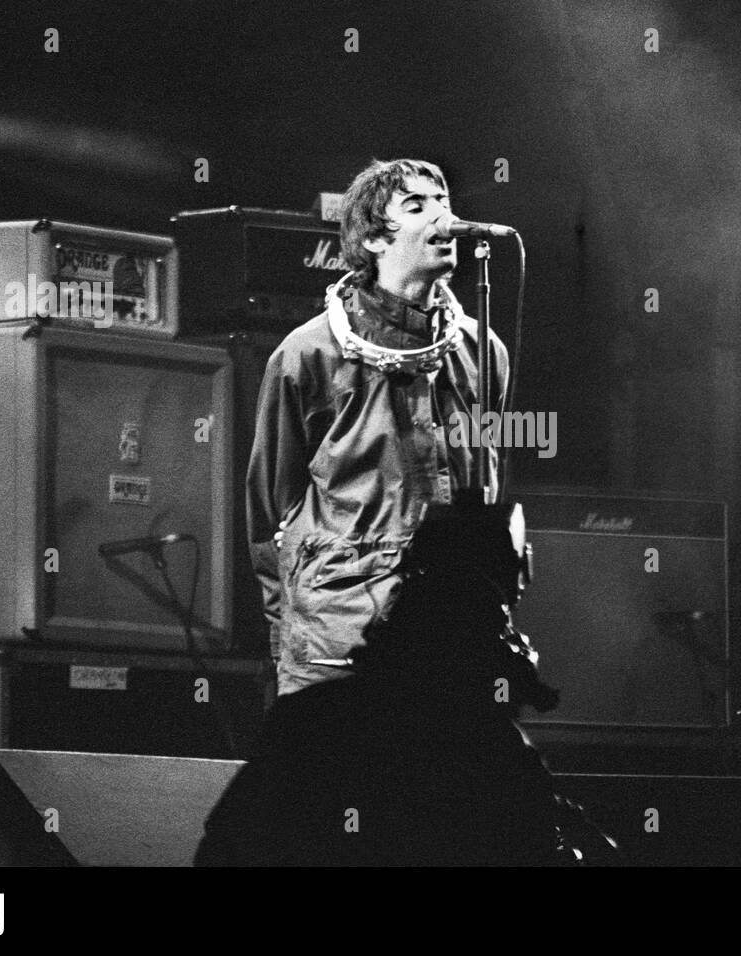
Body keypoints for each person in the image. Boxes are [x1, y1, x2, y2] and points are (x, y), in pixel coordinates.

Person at [195, 158, 563, 865]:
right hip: (342, 633)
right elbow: (269, 512)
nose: (442, 217)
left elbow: (487, 488)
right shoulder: (305, 355)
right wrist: (288, 642)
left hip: (446, 640)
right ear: (370, 238)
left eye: (445, 201)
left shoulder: (483, 353)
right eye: (419, 205)